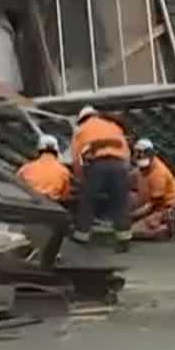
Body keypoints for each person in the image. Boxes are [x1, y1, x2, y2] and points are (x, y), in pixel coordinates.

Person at [69, 105, 132, 248]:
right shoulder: (114, 127)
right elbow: (127, 153)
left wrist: (80, 180)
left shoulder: (81, 130)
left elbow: (76, 159)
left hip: (98, 166)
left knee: (87, 201)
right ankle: (124, 240)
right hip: (119, 165)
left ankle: (82, 237)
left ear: (82, 119)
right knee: (120, 202)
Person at [129, 138, 175, 241]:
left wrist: (133, 215)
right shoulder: (140, 167)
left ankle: (167, 228)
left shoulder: (159, 174)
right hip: (145, 202)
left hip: (162, 208)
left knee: (133, 232)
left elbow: (152, 204)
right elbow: (132, 176)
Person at [16, 133, 72, 204]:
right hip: (51, 208)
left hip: (27, 204)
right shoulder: (64, 172)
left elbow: (15, 186)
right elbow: (64, 197)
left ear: (39, 150)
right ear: (56, 151)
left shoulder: (26, 168)